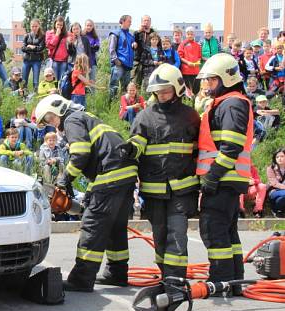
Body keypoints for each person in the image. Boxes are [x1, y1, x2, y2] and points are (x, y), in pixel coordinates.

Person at [35, 94, 137, 292]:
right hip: (125, 175)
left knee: (93, 225)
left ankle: (81, 278)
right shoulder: (85, 117)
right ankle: (117, 273)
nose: (52, 124)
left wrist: (64, 181)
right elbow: (97, 156)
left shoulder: (72, 120)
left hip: (111, 174)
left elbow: (81, 154)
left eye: (50, 119)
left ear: (59, 110)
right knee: (115, 227)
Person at [122, 63, 200, 282]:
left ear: (177, 89)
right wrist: (130, 149)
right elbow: (138, 142)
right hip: (154, 190)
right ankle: (165, 275)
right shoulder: (145, 117)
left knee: (177, 233)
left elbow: (200, 150)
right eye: (158, 92)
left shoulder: (191, 116)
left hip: (182, 189)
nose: (162, 95)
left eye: (166, 91)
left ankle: (176, 280)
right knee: (160, 234)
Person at [196, 53, 254, 291]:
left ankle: (220, 280)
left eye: (212, 80)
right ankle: (234, 281)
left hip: (223, 179)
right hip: (228, 179)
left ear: (226, 79)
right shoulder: (228, 102)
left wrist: (213, 175)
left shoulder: (232, 104)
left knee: (213, 229)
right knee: (228, 231)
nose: (208, 85)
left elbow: (231, 145)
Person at [108, 15, 135, 98]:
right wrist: (115, 60)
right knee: (114, 85)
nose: (131, 23)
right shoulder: (115, 34)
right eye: (129, 21)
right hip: (118, 64)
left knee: (126, 88)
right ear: (122, 22)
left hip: (128, 65)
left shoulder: (130, 36)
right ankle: (111, 104)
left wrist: (134, 44)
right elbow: (111, 48)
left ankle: (123, 105)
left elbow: (130, 48)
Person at [132, 15, 156, 87]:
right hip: (138, 61)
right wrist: (139, 31)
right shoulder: (137, 33)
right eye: (144, 20)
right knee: (135, 83)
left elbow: (158, 47)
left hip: (149, 62)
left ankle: (145, 98)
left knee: (148, 84)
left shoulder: (153, 33)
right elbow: (132, 41)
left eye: (148, 20)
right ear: (142, 22)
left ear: (150, 22)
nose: (146, 22)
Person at [22, 19, 45, 92]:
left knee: (35, 81)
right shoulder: (27, 36)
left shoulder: (42, 36)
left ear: (39, 26)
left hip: (37, 61)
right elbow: (23, 48)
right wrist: (34, 48)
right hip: (26, 60)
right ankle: (23, 94)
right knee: (24, 80)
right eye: (32, 26)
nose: (34, 28)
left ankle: (35, 94)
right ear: (30, 26)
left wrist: (31, 47)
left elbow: (41, 48)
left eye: (36, 26)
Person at [178, 26, 202, 97]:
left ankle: (195, 104)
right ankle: (188, 104)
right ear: (186, 35)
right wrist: (188, 63)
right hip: (186, 71)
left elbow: (199, 57)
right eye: (188, 34)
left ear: (194, 35)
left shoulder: (197, 45)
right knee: (187, 91)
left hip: (196, 71)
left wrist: (197, 63)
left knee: (196, 90)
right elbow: (180, 57)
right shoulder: (182, 44)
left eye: (191, 34)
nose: (190, 35)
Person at [46, 16, 69, 83]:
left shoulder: (66, 34)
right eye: (58, 24)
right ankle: (54, 92)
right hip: (54, 60)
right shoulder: (49, 33)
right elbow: (49, 46)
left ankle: (61, 92)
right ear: (55, 24)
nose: (59, 26)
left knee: (62, 79)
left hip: (64, 60)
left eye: (61, 25)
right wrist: (56, 35)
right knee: (54, 79)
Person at [267, 148, 285, 217]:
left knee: (281, 199)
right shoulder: (271, 168)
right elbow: (274, 183)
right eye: (277, 157)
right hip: (274, 191)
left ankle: (276, 209)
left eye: (282, 156)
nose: (279, 158)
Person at [83, 19, 100, 84]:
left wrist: (88, 47)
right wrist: (91, 46)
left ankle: (93, 94)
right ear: (85, 26)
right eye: (87, 25)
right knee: (82, 81)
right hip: (83, 62)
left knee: (92, 80)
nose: (89, 27)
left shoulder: (95, 37)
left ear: (93, 26)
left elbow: (96, 48)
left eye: (90, 25)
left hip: (92, 62)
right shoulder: (82, 36)